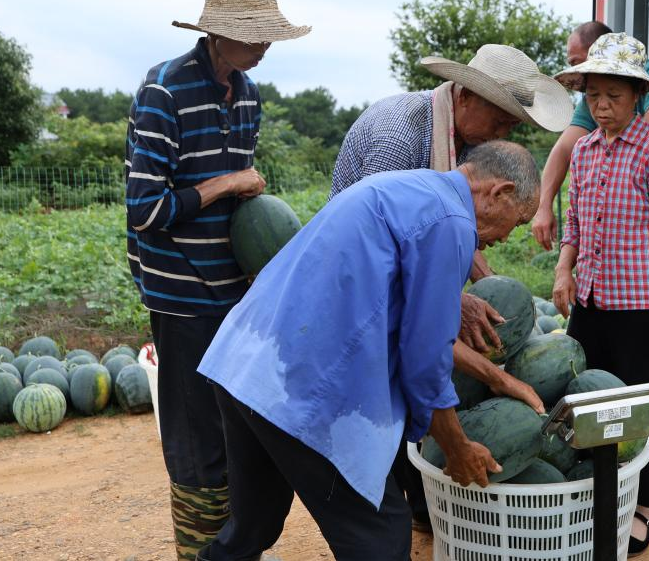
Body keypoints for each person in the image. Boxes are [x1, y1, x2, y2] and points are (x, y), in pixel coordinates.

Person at [195, 141, 543, 561]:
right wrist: (457, 448)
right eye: (517, 222)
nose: (507, 237)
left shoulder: (407, 187)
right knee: (379, 538)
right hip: (298, 390)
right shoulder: (451, 222)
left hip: (244, 365)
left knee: (254, 525)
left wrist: (497, 378)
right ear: (499, 193)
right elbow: (426, 357)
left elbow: (409, 326)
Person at [331, 43, 574, 530]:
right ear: (465, 96)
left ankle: (423, 502)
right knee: (390, 392)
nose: (504, 134)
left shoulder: (464, 148)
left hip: (395, 288)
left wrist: (499, 291)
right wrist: (453, 300)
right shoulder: (402, 131)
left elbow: (465, 224)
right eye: (503, 122)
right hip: (357, 289)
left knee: (411, 382)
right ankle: (394, 506)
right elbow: (390, 245)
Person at [125, 0, 309, 560]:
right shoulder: (164, 92)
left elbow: (243, 212)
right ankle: (198, 549)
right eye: (252, 32)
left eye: (267, 34)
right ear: (216, 30)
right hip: (178, 292)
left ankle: (232, 548)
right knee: (196, 436)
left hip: (235, 293)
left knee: (237, 429)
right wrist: (227, 185)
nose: (262, 45)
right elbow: (144, 211)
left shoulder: (249, 95)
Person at [552, 33, 649, 556]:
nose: (602, 107)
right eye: (593, 97)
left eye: (613, 96)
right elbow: (573, 222)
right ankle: (600, 493)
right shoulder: (586, 151)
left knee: (643, 411)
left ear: (637, 94)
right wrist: (564, 271)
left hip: (642, 310)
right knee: (587, 402)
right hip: (590, 305)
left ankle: (646, 506)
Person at [531, 21, 649, 252]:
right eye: (594, 94)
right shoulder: (594, 97)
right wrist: (543, 206)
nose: (601, 103)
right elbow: (564, 149)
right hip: (639, 175)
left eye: (576, 62)